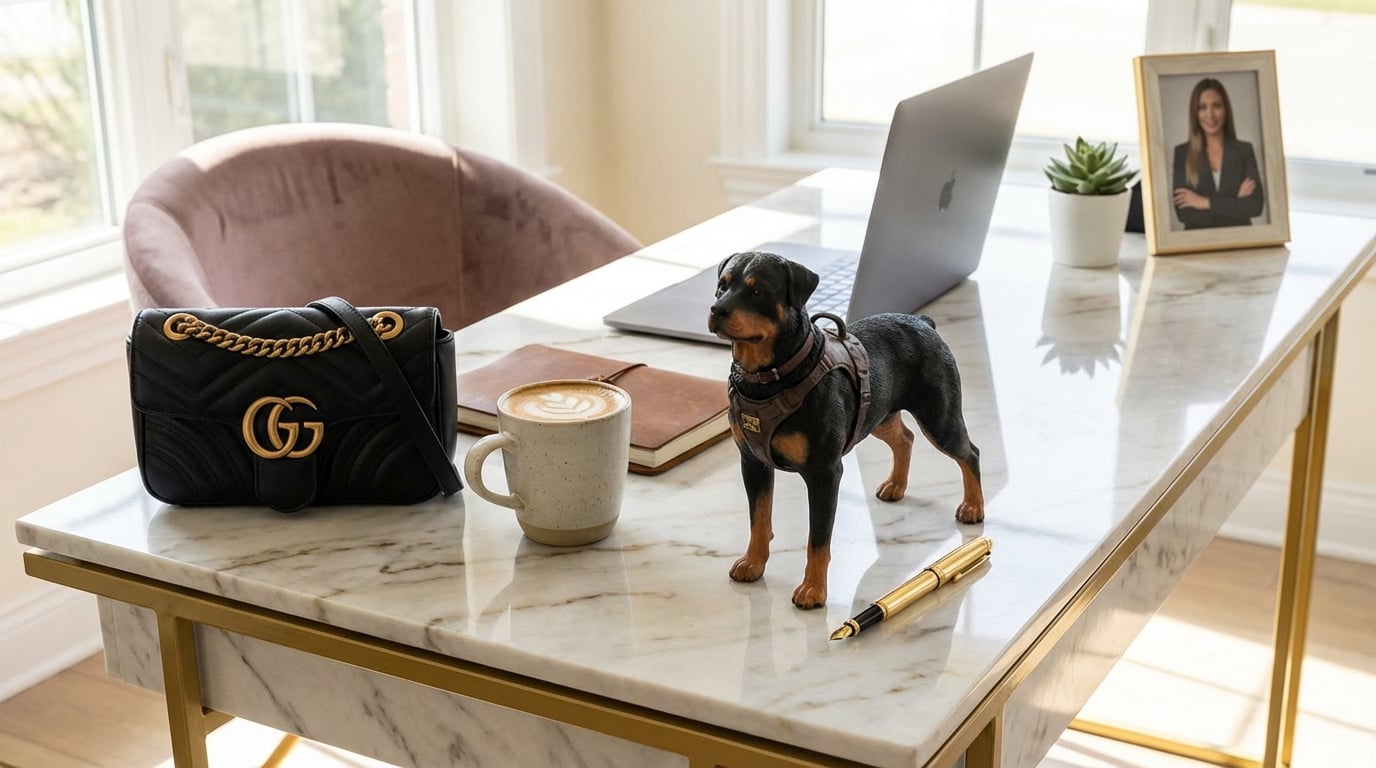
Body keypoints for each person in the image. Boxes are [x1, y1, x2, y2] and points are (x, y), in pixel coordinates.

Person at [1171, 78, 1265, 229]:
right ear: (1195, 114)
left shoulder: (1244, 151)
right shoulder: (1182, 153)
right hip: (1198, 245)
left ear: (1226, 110)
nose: (1210, 115)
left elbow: (1255, 206)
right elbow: (1185, 215)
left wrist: (1203, 202)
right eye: (1202, 107)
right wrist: (1235, 201)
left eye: (1217, 106)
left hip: (1239, 242)